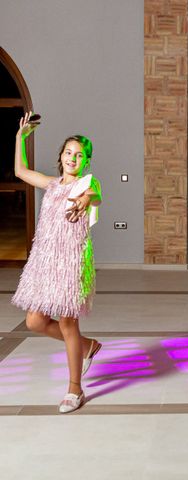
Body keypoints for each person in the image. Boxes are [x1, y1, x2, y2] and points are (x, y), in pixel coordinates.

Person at [11, 112, 102, 414]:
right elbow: (21, 171)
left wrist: (87, 199)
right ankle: (87, 346)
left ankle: (75, 388)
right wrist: (20, 139)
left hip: (71, 262)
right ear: (61, 156)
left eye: (79, 155)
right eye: (68, 152)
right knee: (34, 321)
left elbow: (94, 195)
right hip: (45, 261)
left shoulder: (88, 183)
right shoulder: (52, 185)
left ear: (85, 161)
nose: (72, 158)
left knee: (67, 323)